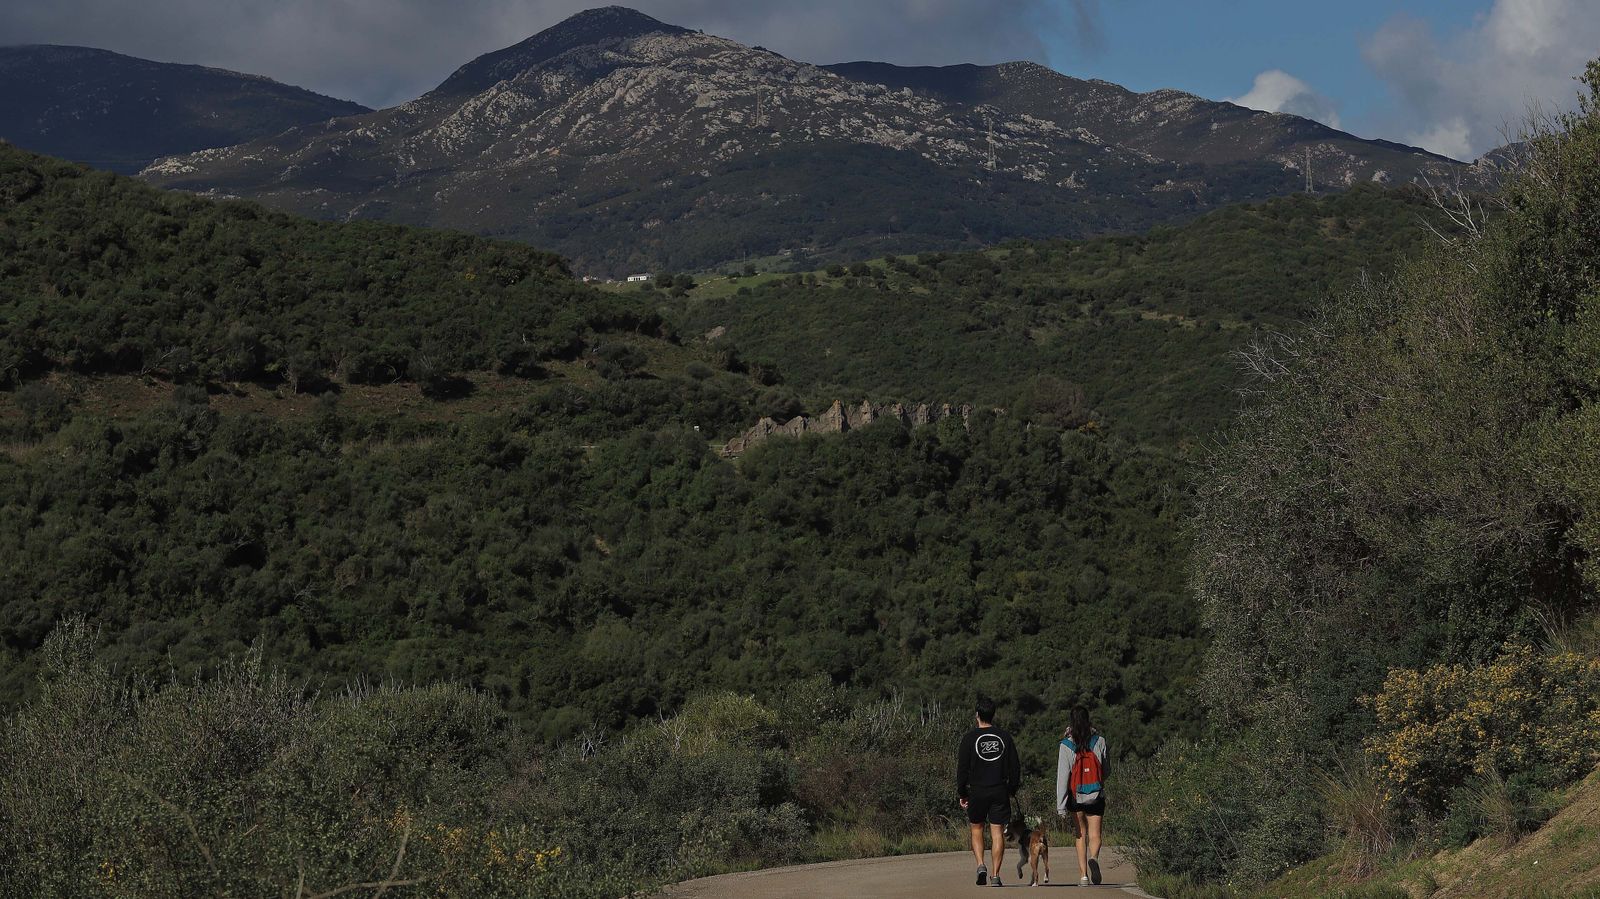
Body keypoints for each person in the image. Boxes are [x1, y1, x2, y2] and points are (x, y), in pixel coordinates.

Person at [956, 695, 1020, 887]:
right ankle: (995, 875)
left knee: (976, 829)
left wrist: (962, 793)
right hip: (999, 790)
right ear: (993, 714)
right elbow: (1015, 767)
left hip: (977, 791)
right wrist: (1011, 789)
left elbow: (962, 770)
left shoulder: (969, 738)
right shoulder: (1005, 737)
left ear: (977, 715)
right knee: (997, 832)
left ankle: (980, 865)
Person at [1056, 705, 1108, 887]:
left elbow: (1063, 777)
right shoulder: (1099, 741)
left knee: (1081, 835)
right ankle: (1094, 858)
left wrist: (1061, 806)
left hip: (1075, 796)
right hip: (1096, 794)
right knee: (1095, 834)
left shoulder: (1066, 745)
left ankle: (1084, 876)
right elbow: (1106, 769)